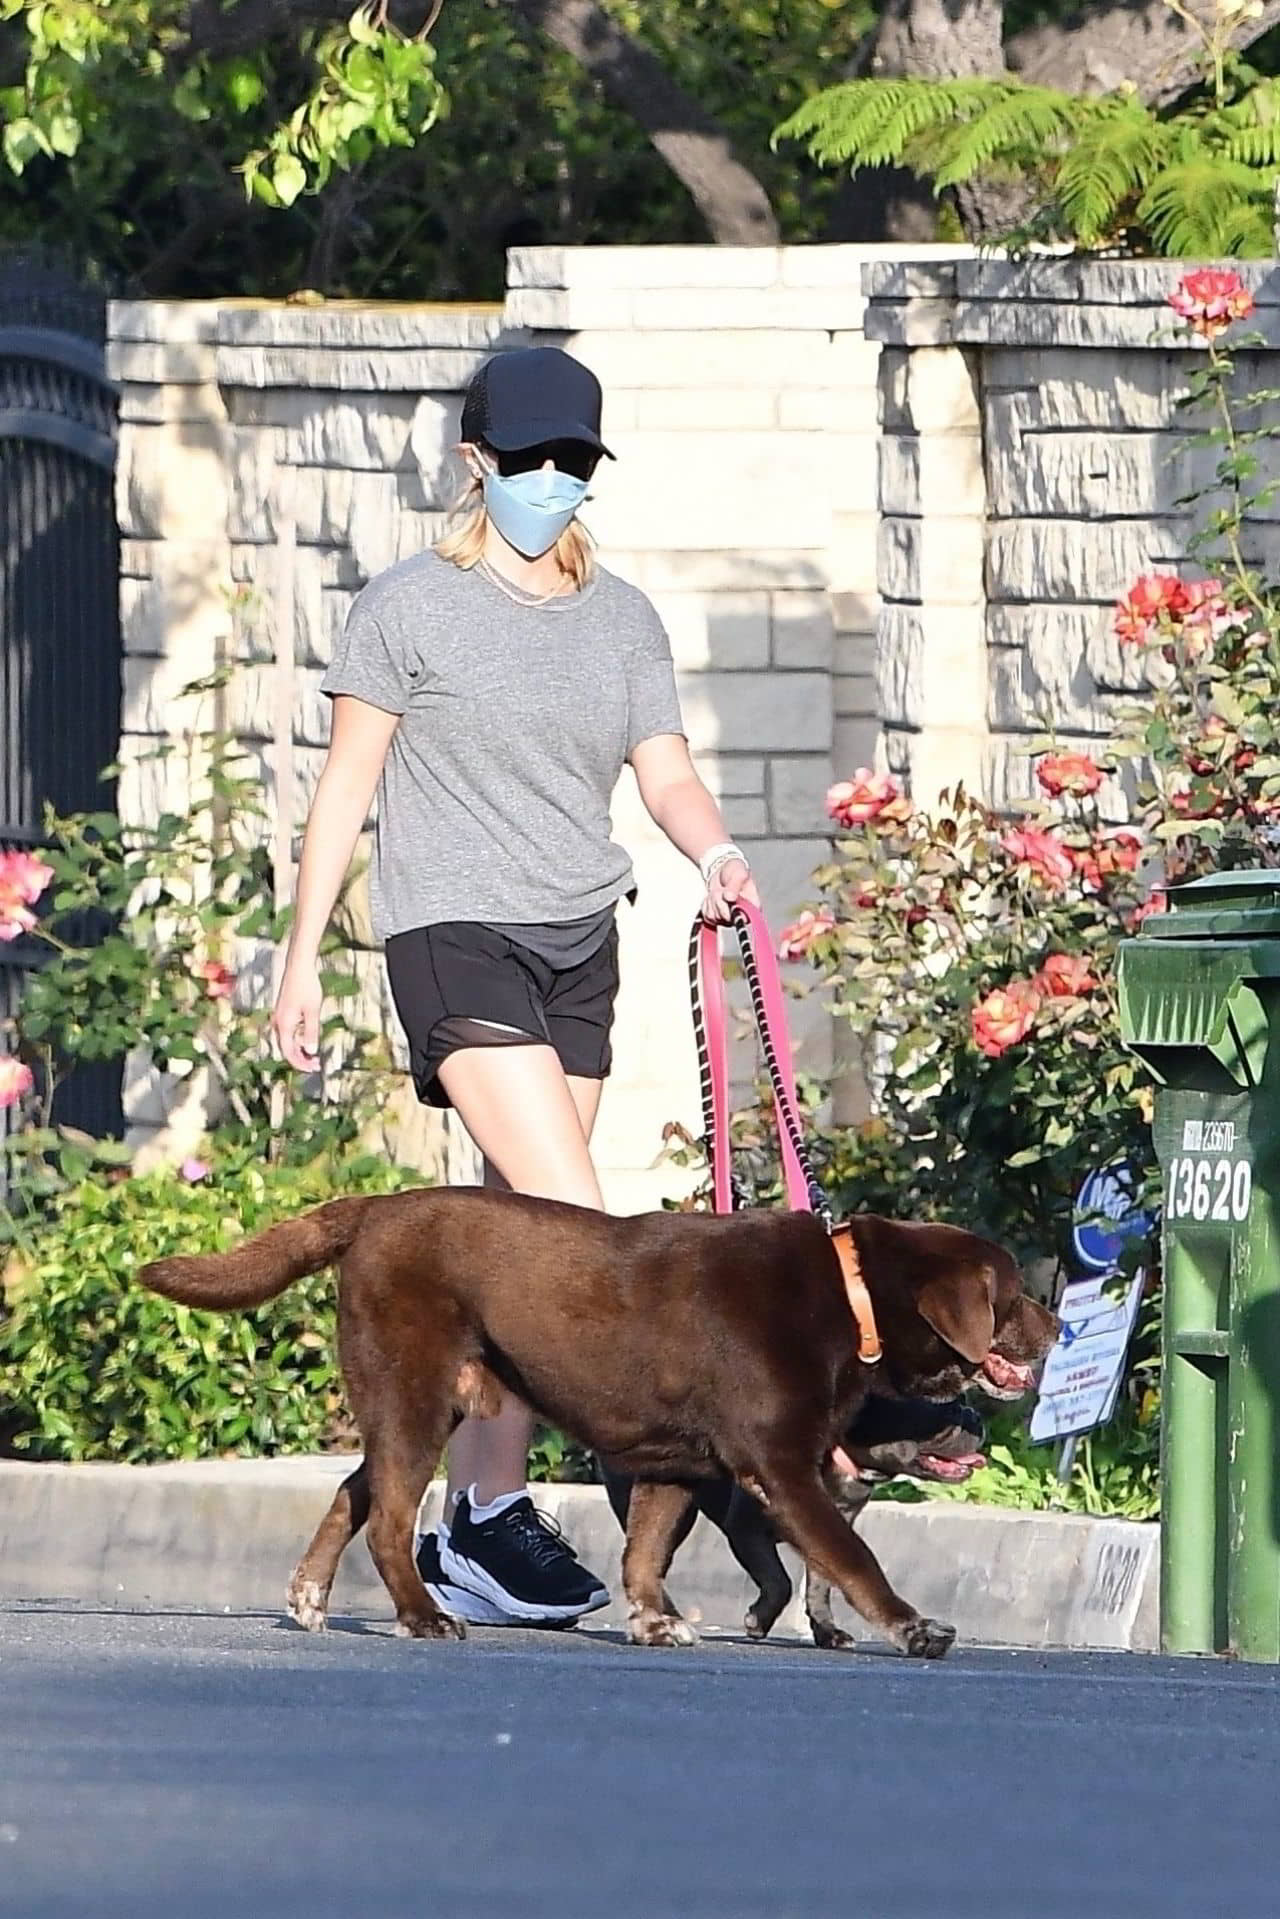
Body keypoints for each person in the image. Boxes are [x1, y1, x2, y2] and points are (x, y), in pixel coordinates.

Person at [272, 344, 758, 1626]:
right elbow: (345, 789)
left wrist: (713, 850)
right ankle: (505, 1512)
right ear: (474, 464)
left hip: (575, 934)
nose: (551, 480)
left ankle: (465, 1517)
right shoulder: (408, 607)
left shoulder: (623, 619)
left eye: (573, 462)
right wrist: (300, 956)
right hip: (451, 931)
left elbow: (662, 770)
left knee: (513, 1239)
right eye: (529, 458)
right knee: (572, 1224)